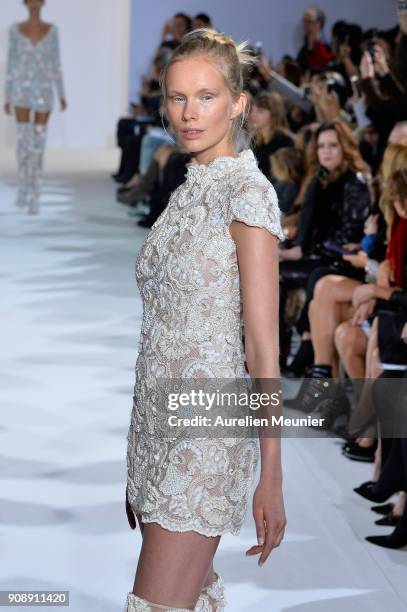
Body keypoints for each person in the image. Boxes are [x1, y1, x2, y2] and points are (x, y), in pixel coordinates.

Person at [125, 28, 286, 611]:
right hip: (158, 424)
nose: (189, 113)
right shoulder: (189, 186)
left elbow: (264, 350)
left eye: (207, 96)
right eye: (176, 97)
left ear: (239, 103)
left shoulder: (247, 194)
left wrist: (272, 472)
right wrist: (141, 449)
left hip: (205, 436)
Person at [4, 0, 66, 214]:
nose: (34, 3)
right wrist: (7, 95)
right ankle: (23, 187)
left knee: (38, 142)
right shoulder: (15, 30)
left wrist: (61, 93)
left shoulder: (52, 31)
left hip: (44, 90)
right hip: (21, 89)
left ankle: (35, 193)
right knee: (23, 142)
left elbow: (56, 63)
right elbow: (11, 62)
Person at [297, 6, 334, 73]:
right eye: (304, 21)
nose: (305, 25)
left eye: (308, 21)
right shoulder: (305, 45)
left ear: (318, 24)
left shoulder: (326, 47)